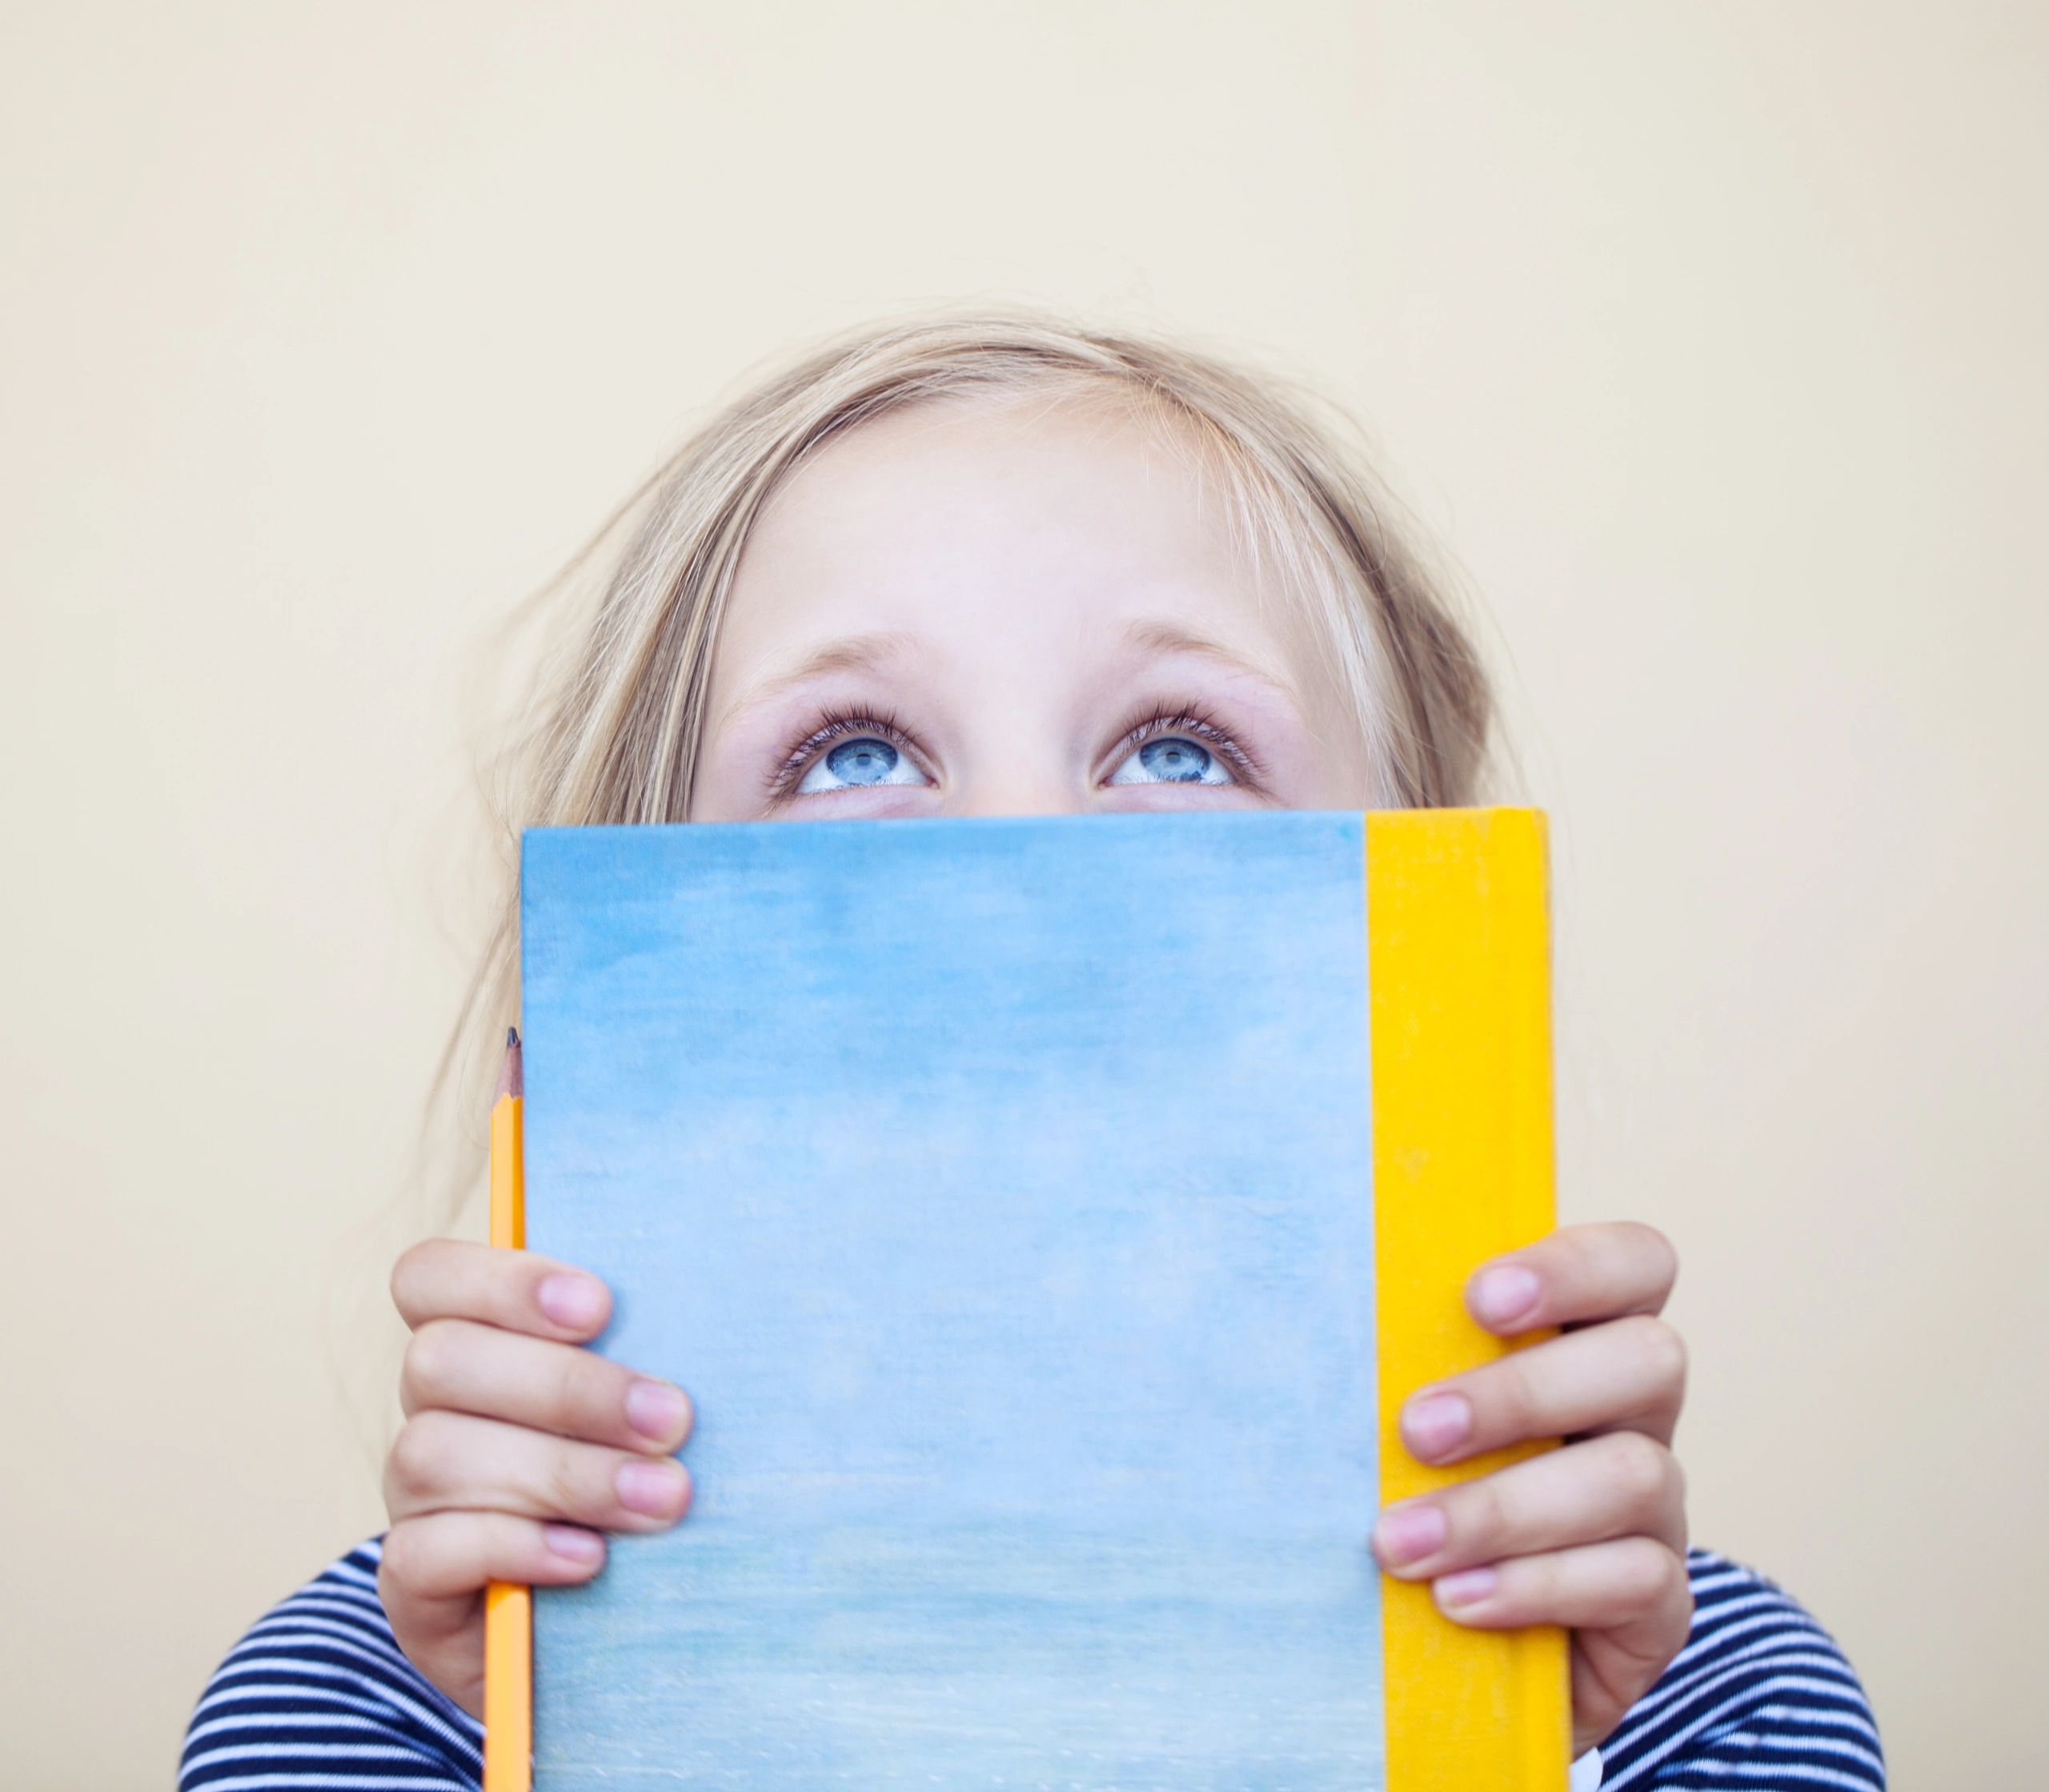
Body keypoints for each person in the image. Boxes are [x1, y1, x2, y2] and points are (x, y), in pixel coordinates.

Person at [179, 315, 1883, 1790]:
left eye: (1175, 743)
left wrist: (1506, 1744)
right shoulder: (368, 1705)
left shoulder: (1698, 1704)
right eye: (850, 752)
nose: (1012, 850)